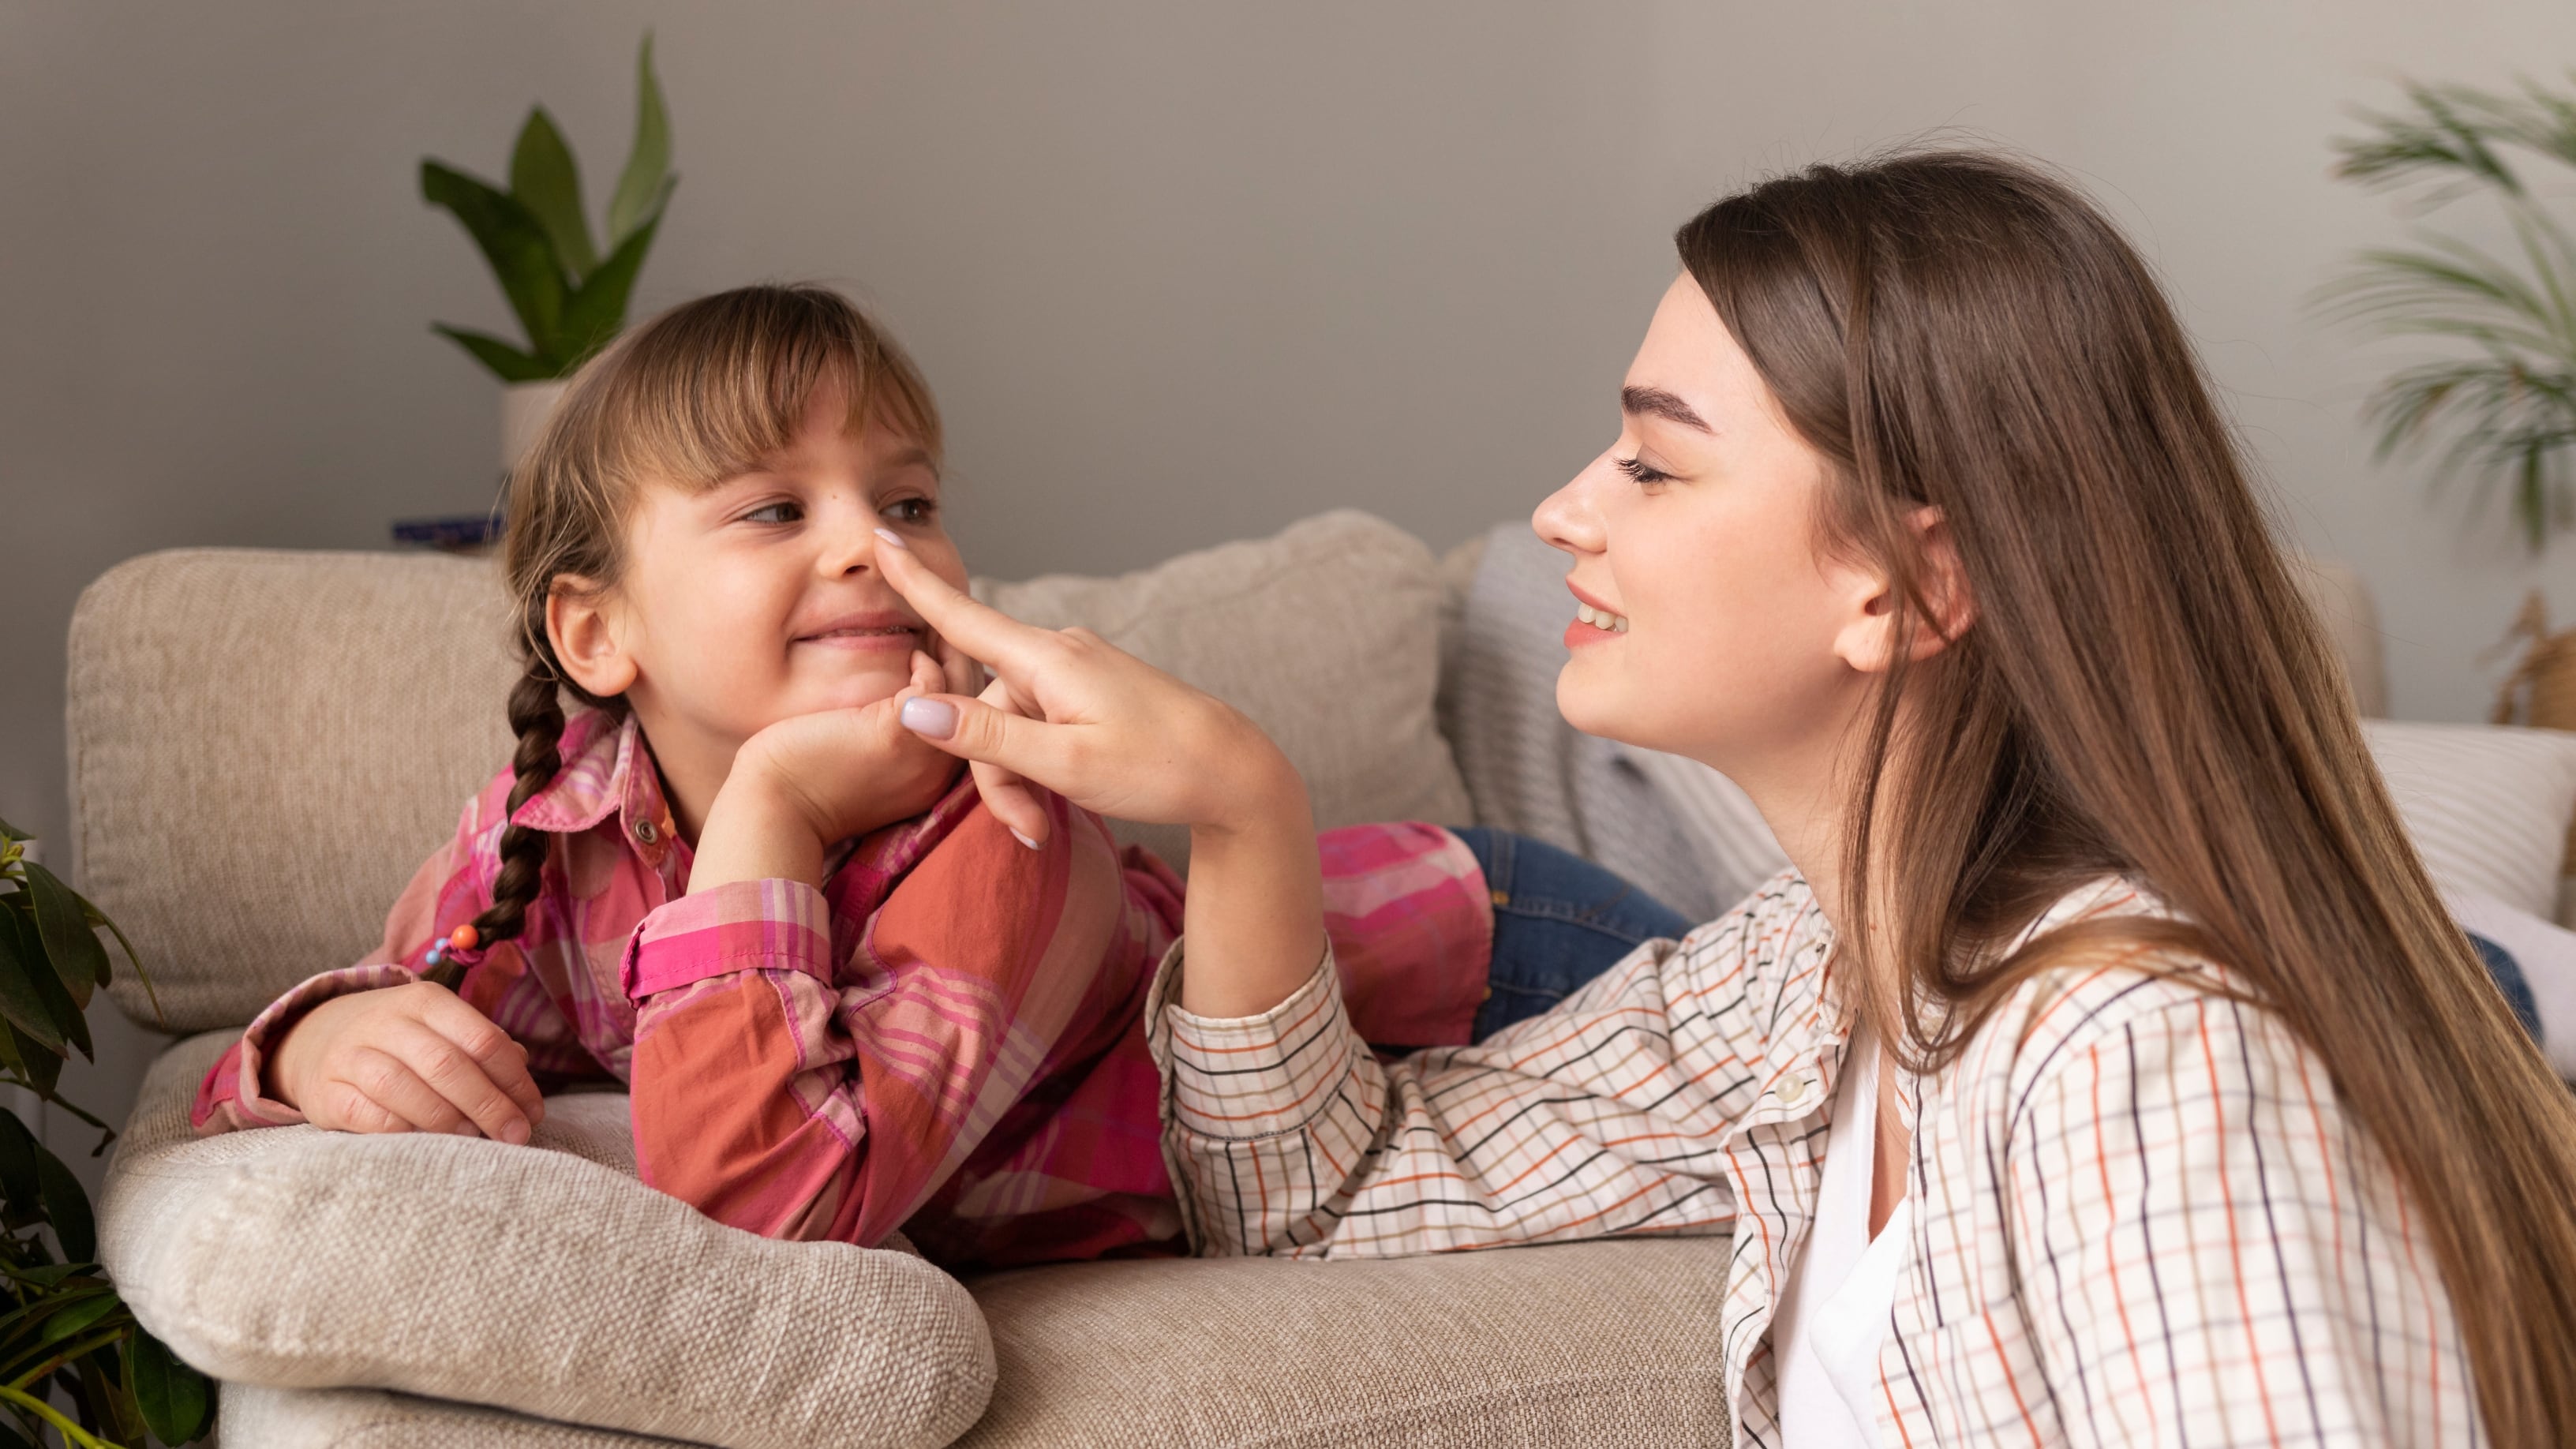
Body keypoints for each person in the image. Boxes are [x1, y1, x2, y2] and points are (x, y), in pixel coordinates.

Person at [864, 152, 2576, 1444]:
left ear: (1904, 589)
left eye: (1656, 463)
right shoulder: (1807, 985)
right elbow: (1320, 1203)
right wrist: (1242, 812)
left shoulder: (2145, 1056)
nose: (1562, 510)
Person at [186, 284, 1683, 1271]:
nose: (875, 548)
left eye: (907, 499)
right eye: (775, 508)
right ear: (596, 631)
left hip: (1478, 955)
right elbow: (353, 1036)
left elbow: (778, 1205)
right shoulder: (551, 834)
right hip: (1425, 983)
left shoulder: (1006, 822)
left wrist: (772, 806)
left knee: (1857, 1019)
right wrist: (312, 1048)